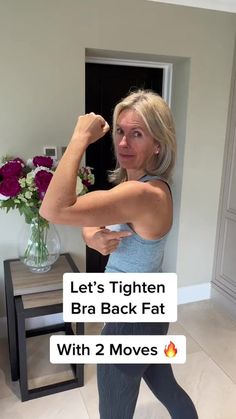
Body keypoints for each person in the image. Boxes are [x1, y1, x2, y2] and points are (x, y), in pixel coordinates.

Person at [40, 89, 198, 419]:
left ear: (158, 143)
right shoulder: (141, 186)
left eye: (136, 134)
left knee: (114, 406)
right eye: (121, 132)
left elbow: (53, 208)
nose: (123, 143)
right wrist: (93, 235)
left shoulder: (142, 194)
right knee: (166, 386)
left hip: (133, 318)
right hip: (148, 308)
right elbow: (93, 221)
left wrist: (80, 137)